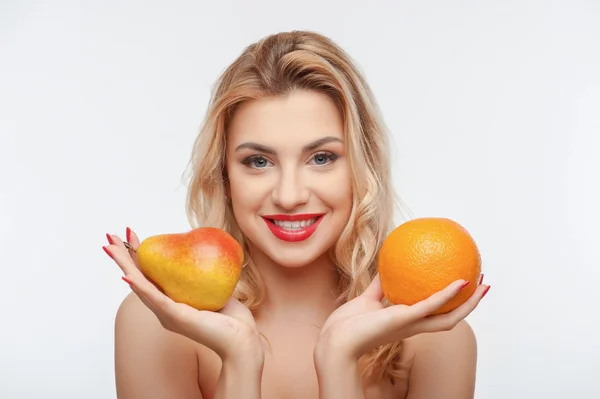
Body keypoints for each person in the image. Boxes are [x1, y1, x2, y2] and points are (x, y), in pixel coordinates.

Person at [103, 30, 491, 399]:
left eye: (321, 158)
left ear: (362, 166)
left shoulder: (437, 339)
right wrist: (239, 360)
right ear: (223, 174)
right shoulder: (156, 325)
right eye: (258, 161)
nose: (289, 196)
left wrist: (339, 361)